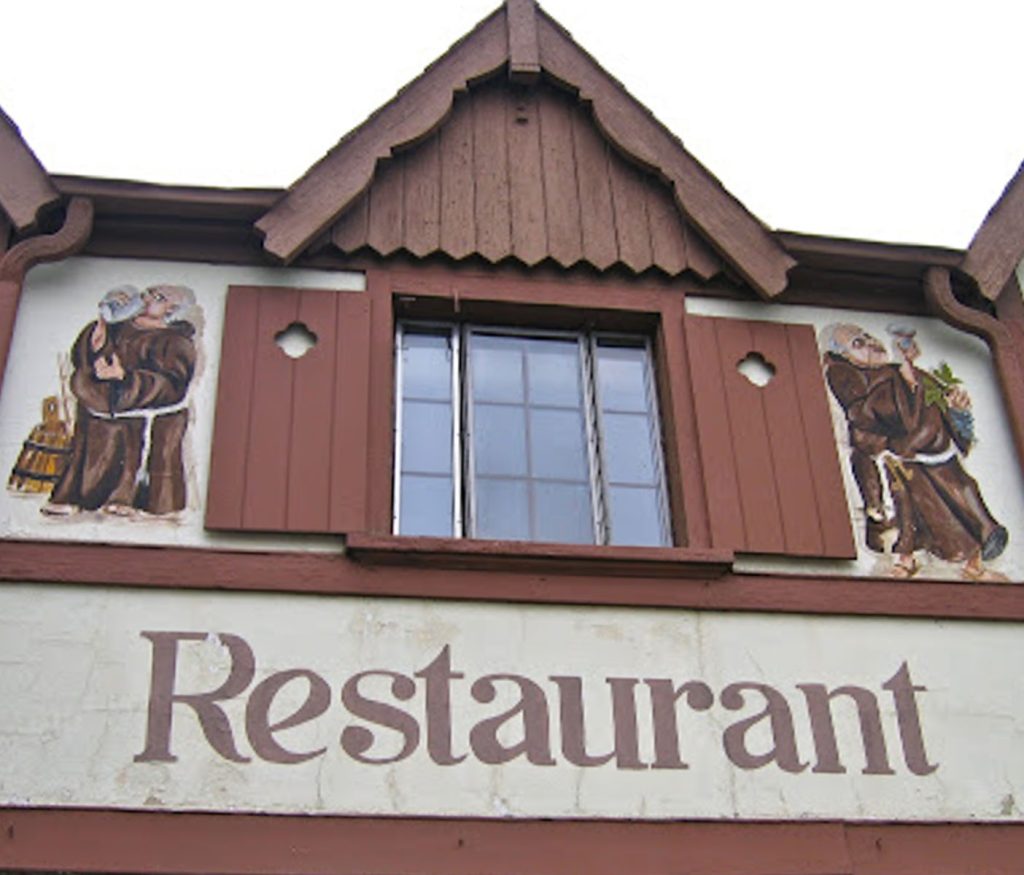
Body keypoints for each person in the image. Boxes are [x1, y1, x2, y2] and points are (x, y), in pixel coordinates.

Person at [822, 323, 1007, 581]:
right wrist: (898, 437)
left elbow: (940, 407)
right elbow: (865, 424)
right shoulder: (854, 385)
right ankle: (907, 557)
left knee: (959, 486)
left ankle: (978, 550)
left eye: (867, 336)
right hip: (900, 457)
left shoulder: (904, 372)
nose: (870, 343)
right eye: (857, 343)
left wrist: (956, 411)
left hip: (932, 448)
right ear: (845, 357)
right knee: (910, 491)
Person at [43, 284, 198, 517]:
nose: (145, 299)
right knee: (90, 441)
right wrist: (103, 324)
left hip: (139, 409)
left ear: (171, 308)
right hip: (102, 403)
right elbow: (85, 356)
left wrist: (125, 376)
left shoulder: (176, 342)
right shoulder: (118, 328)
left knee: (125, 438)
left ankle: (125, 498)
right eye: (146, 293)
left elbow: (172, 385)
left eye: (157, 298)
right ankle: (75, 496)